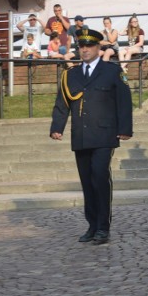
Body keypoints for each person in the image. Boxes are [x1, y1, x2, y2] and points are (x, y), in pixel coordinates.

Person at [50, 28, 133, 246]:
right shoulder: (71, 74)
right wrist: (57, 127)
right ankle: (92, 225)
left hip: (105, 134)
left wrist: (125, 128)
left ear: (98, 48)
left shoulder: (112, 71)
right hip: (81, 135)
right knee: (87, 182)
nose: (85, 50)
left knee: (99, 177)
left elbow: (124, 101)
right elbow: (62, 103)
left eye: (89, 46)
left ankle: (103, 227)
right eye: (81, 46)